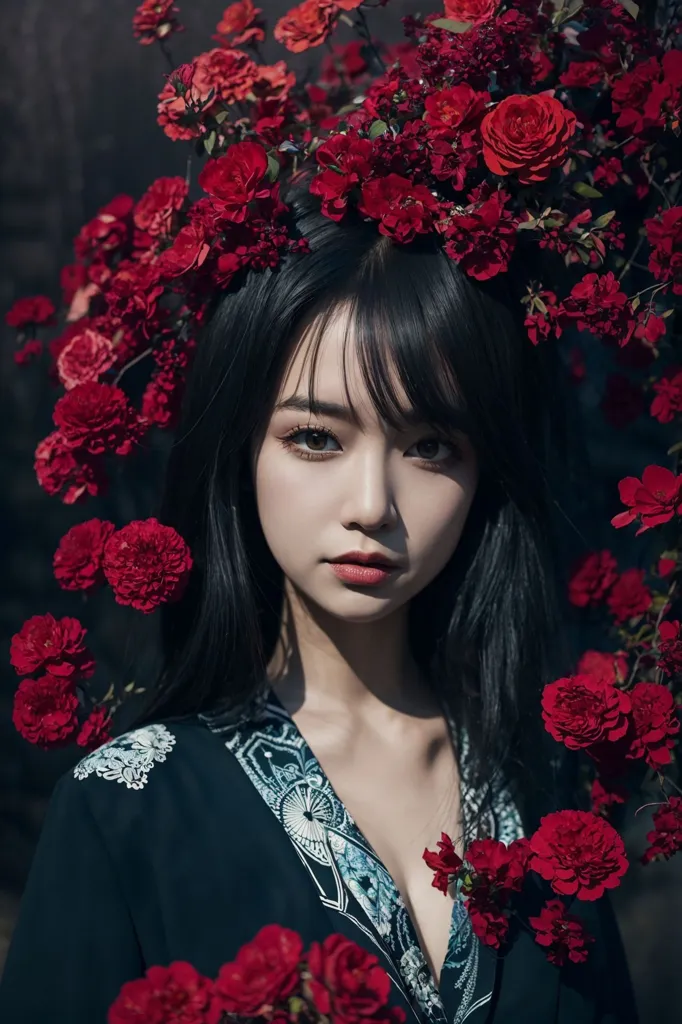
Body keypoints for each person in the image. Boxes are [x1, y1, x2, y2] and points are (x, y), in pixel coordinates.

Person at [0, 182, 638, 1024]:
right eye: (315, 437)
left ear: (486, 469)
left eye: (430, 445)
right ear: (241, 449)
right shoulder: (128, 811)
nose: (372, 502)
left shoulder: (550, 793)